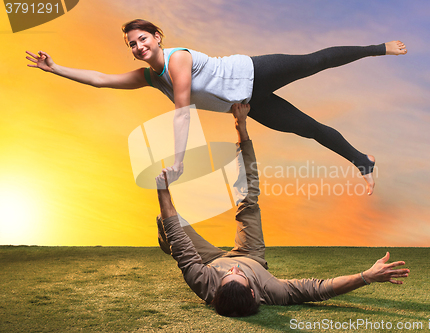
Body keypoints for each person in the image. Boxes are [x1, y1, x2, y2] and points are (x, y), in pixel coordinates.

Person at [26, 18, 408, 195]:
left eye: (143, 39)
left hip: (254, 70)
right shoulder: (148, 77)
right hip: (247, 101)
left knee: (313, 61)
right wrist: (54, 67)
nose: (138, 47)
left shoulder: (176, 62)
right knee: (306, 127)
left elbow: (181, 110)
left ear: (158, 38)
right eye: (132, 44)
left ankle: (380, 47)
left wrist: (177, 162)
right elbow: (100, 79)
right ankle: (364, 162)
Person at [156, 103, 409, 317]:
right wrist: (367, 276)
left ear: (216, 290)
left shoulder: (203, 283)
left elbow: (180, 241)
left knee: (168, 223)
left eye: (227, 276)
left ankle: (240, 129)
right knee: (248, 200)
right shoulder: (272, 291)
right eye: (238, 275)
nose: (233, 270)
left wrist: (163, 188)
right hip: (251, 255)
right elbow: (319, 289)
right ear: (254, 292)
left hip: (210, 261)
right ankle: (242, 129)